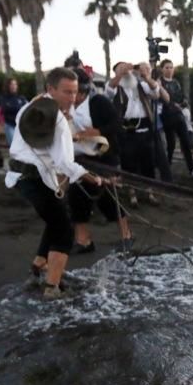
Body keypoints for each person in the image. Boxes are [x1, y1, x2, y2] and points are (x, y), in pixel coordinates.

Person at [5, 68, 104, 299]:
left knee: (56, 217)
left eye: (75, 92)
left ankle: (40, 264)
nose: (72, 98)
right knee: (63, 230)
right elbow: (64, 162)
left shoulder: (30, 107)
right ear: (51, 89)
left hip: (20, 175)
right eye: (66, 92)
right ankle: (53, 287)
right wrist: (93, 178)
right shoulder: (57, 120)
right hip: (34, 178)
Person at [69, 68, 133, 254]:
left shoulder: (98, 102)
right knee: (76, 199)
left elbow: (116, 124)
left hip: (104, 157)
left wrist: (97, 131)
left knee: (109, 198)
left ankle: (126, 235)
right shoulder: (65, 105)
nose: (75, 97)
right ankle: (84, 240)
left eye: (77, 93)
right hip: (79, 158)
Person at [105, 61, 162, 207]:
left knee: (148, 162)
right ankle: (132, 194)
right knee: (128, 163)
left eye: (127, 69)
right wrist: (119, 74)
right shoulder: (116, 87)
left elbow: (156, 93)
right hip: (126, 131)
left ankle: (149, 192)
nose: (126, 71)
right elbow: (108, 91)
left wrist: (146, 76)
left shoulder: (141, 85)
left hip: (144, 128)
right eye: (121, 68)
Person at [158, 59, 193, 176]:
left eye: (171, 67)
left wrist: (183, 104)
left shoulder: (176, 83)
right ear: (162, 69)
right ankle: (167, 167)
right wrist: (174, 104)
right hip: (167, 116)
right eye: (167, 67)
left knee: (186, 141)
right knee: (171, 144)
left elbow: (182, 98)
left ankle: (191, 168)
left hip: (179, 116)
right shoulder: (160, 83)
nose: (169, 70)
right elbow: (163, 100)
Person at [0, 78, 28, 146]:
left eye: (15, 84)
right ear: (8, 86)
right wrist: (19, 108)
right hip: (10, 125)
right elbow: (5, 108)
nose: (14, 86)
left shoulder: (21, 98)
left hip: (21, 126)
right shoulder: (3, 98)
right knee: (14, 146)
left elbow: (27, 107)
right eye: (11, 84)